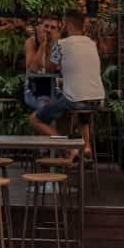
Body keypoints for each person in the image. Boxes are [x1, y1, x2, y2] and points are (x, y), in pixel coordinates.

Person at [30, 10, 105, 159]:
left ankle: (68, 148)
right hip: (98, 99)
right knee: (82, 104)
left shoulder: (61, 44)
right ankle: (86, 147)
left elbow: (50, 68)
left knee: (35, 119)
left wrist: (47, 44)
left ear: (68, 25)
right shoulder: (92, 43)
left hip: (75, 99)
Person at [23, 17, 60, 110]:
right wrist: (43, 44)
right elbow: (32, 69)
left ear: (57, 31)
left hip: (54, 89)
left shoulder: (58, 44)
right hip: (34, 90)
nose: (48, 30)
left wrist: (53, 46)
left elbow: (50, 70)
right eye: (46, 26)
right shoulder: (31, 42)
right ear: (39, 27)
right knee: (46, 107)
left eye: (53, 27)